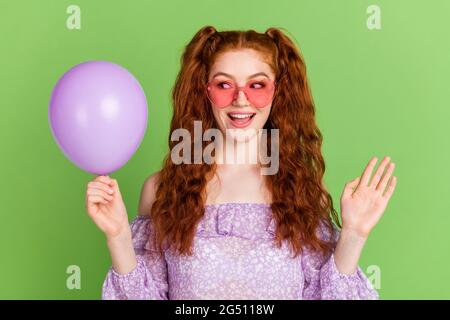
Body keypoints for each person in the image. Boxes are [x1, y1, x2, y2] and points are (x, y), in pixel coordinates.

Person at [85, 25, 397, 300]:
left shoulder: (301, 190)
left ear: (277, 92)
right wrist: (118, 237)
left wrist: (354, 234)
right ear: (204, 92)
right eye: (224, 85)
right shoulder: (162, 189)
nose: (241, 99)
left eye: (257, 85)